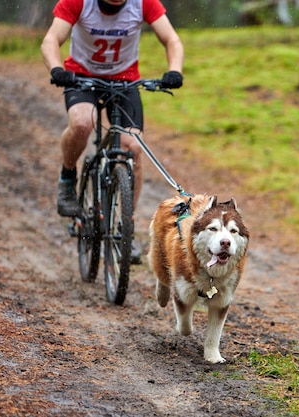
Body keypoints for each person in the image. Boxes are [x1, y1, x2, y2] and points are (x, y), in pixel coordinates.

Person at [41, 0, 184, 264]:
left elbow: (171, 39)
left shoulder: (143, 4)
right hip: (81, 77)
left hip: (124, 80)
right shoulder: (78, 2)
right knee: (83, 124)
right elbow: (51, 39)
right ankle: (67, 177)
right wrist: (57, 69)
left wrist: (174, 70)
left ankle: (123, 231)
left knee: (133, 147)